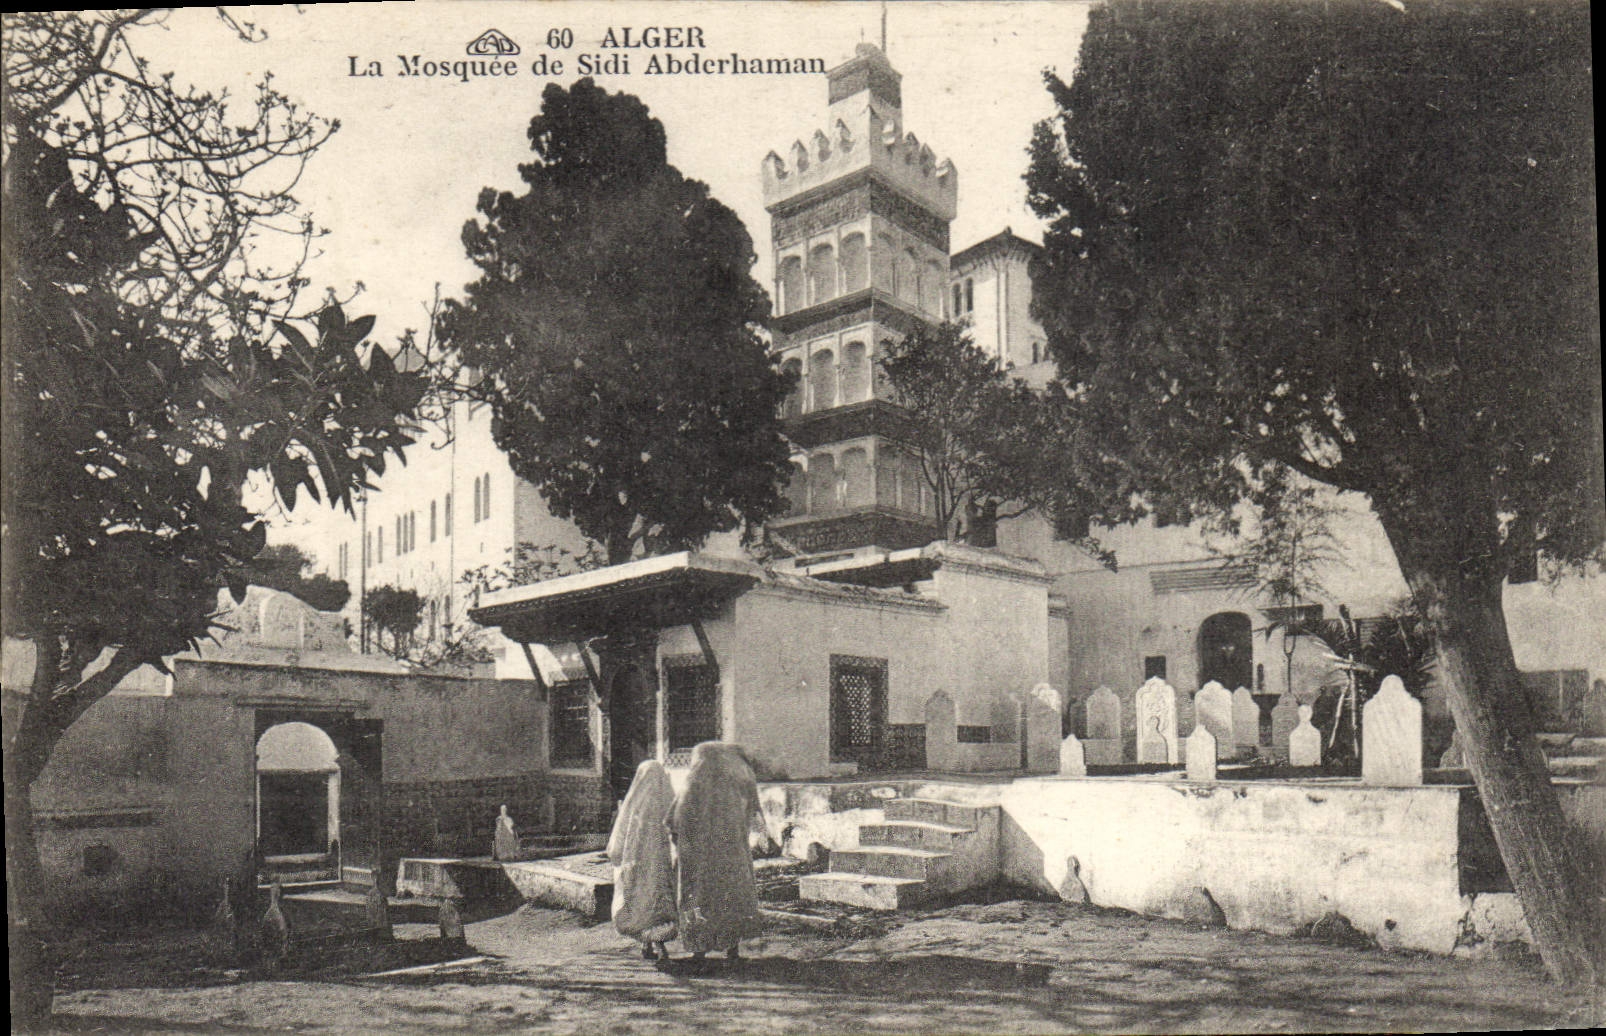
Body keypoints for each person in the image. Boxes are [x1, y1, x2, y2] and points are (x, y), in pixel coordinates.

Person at [668, 741, 763, 960]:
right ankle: (732, 949)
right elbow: (750, 817)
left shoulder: (694, 784)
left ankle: (699, 951)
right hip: (731, 858)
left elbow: (674, 820)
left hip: (698, 859)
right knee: (730, 897)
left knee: (699, 897)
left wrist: (681, 846)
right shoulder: (737, 787)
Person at [606, 759, 678, 960]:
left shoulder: (634, 802)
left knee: (641, 903)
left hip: (638, 865)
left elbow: (619, 835)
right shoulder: (667, 799)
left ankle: (650, 945)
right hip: (660, 865)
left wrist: (617, 854)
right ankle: (657, 947)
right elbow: (677, 825)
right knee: (657, 904)